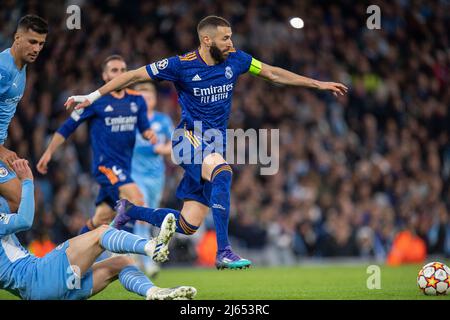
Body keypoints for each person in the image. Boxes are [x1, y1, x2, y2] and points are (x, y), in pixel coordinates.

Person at [64, 15, 348, 270]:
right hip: (187, 140)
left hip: (213, 145)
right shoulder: (180, 65)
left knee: (188, 224)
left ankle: (130, 211)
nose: (230, 43)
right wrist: (91, 97)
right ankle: (224, 251)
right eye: (225, 38)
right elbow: (134, 75)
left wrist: (317, 84)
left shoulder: (236, 59)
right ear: (206, 39)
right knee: (223, 171)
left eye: (231, 37)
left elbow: (273, 73)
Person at [0, 159, 196, 300]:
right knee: (101, 233)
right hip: (39, 277)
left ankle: (154, 293)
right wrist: (27, 180)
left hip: (41, 289)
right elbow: (25, 220)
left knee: (121, 263)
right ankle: (152, 246)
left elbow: (11, 202)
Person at [37, 55, 157, 237]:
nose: (120, 74)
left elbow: (144, 128)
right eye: (114, 70)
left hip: (124, 168)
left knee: (100, 219)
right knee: (136, 198)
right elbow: (67, 127)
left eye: (123, 70)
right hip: (105, 165)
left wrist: (150, 135)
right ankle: (146, 241)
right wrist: (48, 152)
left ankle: (73, 251)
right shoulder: (95, 102)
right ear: (104, 75)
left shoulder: (137, 100)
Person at [0, 14, 47, 213]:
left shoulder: (21, 66)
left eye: (41, 44)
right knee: (19, 199)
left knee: (20, 201)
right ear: (17, 38)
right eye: (32, 42)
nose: (36, 49)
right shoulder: (3, 69)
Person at [131, 81, 173, 276]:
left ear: (155, 99)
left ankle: (136, 253)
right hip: (135, 175)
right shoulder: (131, 121)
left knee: (152, 216)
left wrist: (162, 149)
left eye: (150, 97)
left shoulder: (162, 121)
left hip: (156, 176)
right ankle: (148, 262)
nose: (147, 101)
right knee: (142, 215)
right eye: (143, 98)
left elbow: (175, 145)